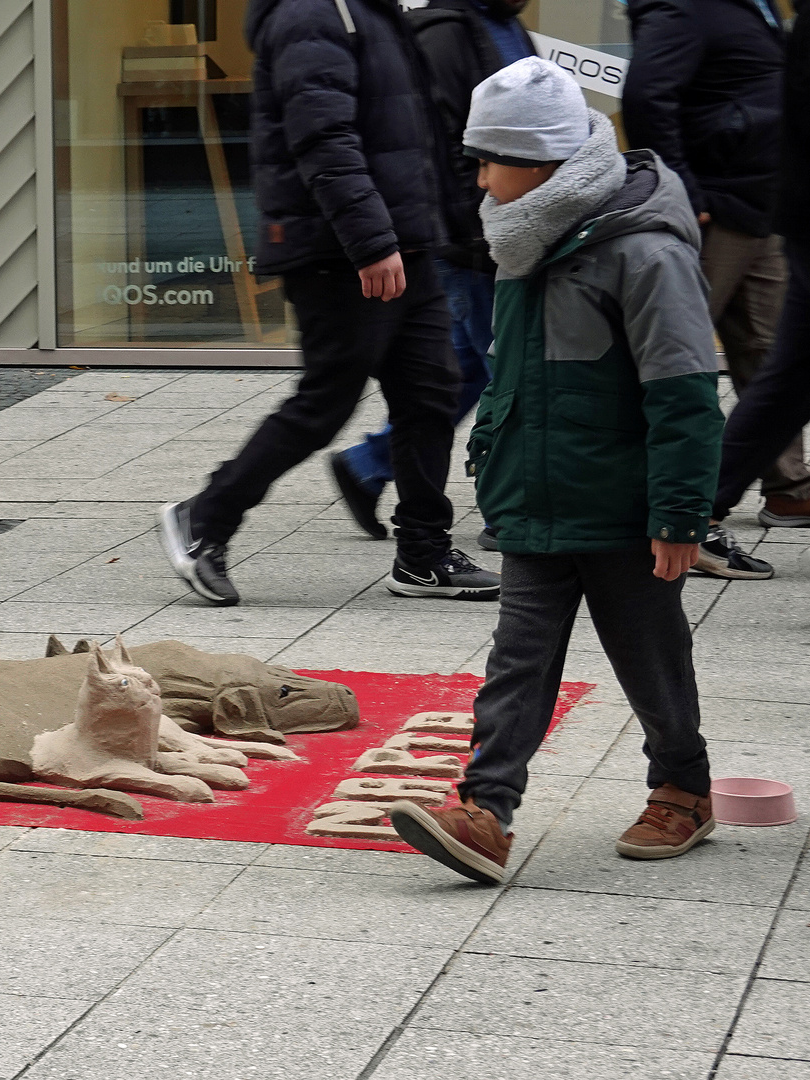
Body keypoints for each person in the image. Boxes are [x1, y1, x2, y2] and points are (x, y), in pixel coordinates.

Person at [390, 60, 722, 884]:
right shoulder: (522, 235)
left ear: (539, 163)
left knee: (649, 658)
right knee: (517, 662)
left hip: (623, 508)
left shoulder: (643, 252)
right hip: (536, 500)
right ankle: (485, 811)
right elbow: (513, 376)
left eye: (488, 161)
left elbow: (683, 393)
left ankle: (682, 785)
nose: (478, 177)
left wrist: (679, 514)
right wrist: (493, 460)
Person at [158, 0, 500, 605]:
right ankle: (206, 518)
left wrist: (441, 229)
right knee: (327, 400)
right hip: (336, 250)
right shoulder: (313, 14)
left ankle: (423, 553)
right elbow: (323, 136)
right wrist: (371, 242)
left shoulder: (372, 11)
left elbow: (412, 133)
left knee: (431, 391)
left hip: (406, 244)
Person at [330, 0, 533, 545]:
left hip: (498, 230)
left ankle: (366, 464)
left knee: (464, 370)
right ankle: (508, 510)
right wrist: (478, 224)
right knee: (509, 375)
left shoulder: (502, 25)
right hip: (476, 237)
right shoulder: (447, 33)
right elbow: (450, 148)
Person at [624, 0, 791, 580]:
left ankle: (790, 487)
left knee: (773, 355)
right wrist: (684, 190)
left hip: (761, 206)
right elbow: (646, 95)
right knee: (676, 362)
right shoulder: (686, 6)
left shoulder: (753, 9)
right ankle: (683, 512)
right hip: (715, 207)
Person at [712, 9, 810, 534]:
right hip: (745, 206)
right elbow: (650, 95)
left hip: (776, 207)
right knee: (786, 374)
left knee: (785, 371)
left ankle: (698, 504)